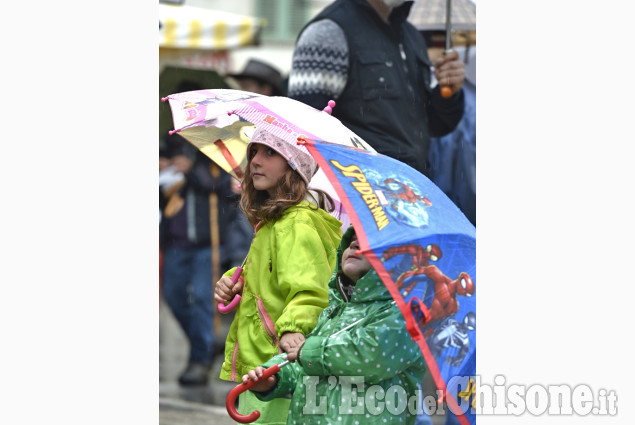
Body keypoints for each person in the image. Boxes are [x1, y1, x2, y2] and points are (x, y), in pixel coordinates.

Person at [214, 128, 343, 424]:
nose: (256, 161)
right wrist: (237, 279)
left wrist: (294, 327)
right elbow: (271, 274)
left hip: (277, 363)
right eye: (255, 151)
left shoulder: (295, 223)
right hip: (262, 364)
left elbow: (310, 289)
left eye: (271, 152)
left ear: (294, 165)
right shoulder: (273, 223)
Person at [241, 226, 427, 425]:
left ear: (397, 260)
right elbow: (303, 362)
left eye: (367, 241)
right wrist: (275, 376)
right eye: (351, 241)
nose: (354, 244)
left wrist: (309, 352)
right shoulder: (335, 308)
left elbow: (370, 355)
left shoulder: (405, 313)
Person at [287, 0, 465, 176]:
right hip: (356, 189)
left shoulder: (411, 36)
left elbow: (433, 125)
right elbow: (303, 130)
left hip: (408, 189)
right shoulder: (328, 31)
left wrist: (449, 92)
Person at [159, 129, 236, 386]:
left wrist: (190, 168)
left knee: (204, 298)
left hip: (207, 245)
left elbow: (219, 187)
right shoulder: (166, 149)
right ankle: (206, 342)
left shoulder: (212, 153)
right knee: (174, 297)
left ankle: (199, 361)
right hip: (175, 245)